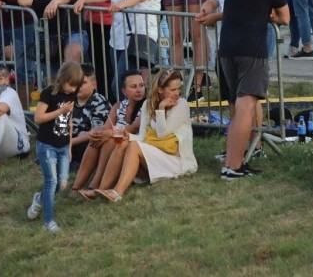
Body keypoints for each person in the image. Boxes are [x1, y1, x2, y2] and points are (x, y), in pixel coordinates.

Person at [218, 0, 289, 180]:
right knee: (246, 107)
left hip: (227, 47)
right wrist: (270, 15)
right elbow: (285, 18)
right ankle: (234, 166)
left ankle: (230, 160)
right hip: (252, 49)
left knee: (238, 110)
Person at [93, 69, 196, 201]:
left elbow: (162, 134)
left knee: (134, 146)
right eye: (173, 90)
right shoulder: (148, 103)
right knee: (123, 143)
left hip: (176, 158)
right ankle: (101, 190)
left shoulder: (181, 104)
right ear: (160, 90)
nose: (177, 93)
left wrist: (161, 109)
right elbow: (142, 137)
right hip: (156, 151)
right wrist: (127, 136)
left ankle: (117, 192)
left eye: (178, 88)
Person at [74, 0, 161, 95]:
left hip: (139, 37)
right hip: (118, 37)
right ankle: (127, 116)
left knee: (122, 86)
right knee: (122, 85)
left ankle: (132, 116)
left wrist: (122, 4)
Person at [72, 69, 145, 197]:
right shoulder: (118, 106)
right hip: (116, 144)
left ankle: (95, 186)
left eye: (141, 85)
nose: (139, 90)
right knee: (96, 140)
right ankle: (76, 188)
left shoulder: (146, 106)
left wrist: (109, 133)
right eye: (133, 86)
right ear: (124, 91)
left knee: (111, 139)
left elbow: (133, 128)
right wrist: (99, 134)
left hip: (132, 146)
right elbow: (106, 128)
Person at [27, 62, 82, 233]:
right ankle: (49, 222)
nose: (73, 89)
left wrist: (70, 146)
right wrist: (60, 111)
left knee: (62, 183)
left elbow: (70, 122)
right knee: (51, 182)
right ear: (62, 79)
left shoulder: (71, 96)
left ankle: (39, 199)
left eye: (76, 86)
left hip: (63, 145)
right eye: (70, 85)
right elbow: (38, 118)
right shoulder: (49, 94)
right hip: (47, 145)